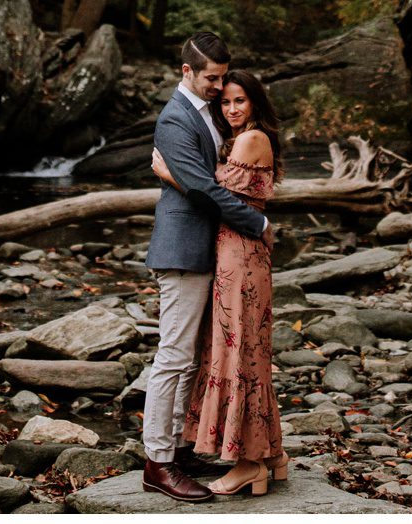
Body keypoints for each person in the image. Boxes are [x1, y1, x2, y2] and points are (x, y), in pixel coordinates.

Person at [140, 32, 274, 504]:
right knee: (173, 356)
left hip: (208, 253)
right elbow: (203, 190)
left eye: (223, 78)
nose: (219, 88)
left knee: (193, 357)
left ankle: (177, 448)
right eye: (211, 79)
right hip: (182, 251)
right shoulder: (175, 120)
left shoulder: (210, 114)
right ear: (187, 73)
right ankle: (157, 463)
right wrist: (257, 221)